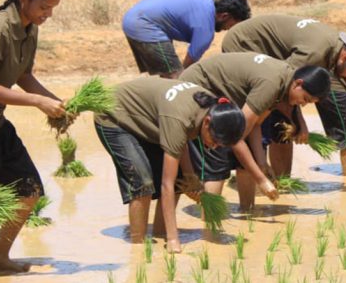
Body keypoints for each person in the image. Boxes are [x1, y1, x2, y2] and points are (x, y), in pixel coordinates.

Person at [94, 77, 245, 253]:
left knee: (179, 179)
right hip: (114, 116)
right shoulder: (180, 117)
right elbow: (167, 184)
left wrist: (190, 177)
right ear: (207, 123)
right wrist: (173, 240)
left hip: (149, 120)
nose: (214, 146)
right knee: (143, 182)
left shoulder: (213, 107)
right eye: (215, 140)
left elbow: (181, 140)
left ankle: (161, 232)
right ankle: (138, 247)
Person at [221, 15, 346, 177]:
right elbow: (286, 86)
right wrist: (299, 123)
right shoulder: (315, 53)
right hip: (243, 44)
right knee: (265, 116)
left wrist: (295, 121)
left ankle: (280, 179)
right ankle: (248, 171)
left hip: (269, 55)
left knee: (283, 123)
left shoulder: (332, 48)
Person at [180, 53, 331, 209]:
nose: (303, 104)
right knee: (218, 155)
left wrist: (261, 163)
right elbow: (236, 137)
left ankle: (248, 211)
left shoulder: (283, 83)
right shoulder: (271, 85)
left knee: (249, 153)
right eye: (305, 99)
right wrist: (261, 179)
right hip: (197, 88)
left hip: (223, 94)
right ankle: (210, 221)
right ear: (298, 84)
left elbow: (255, 124)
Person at [0, 0, 66, 274]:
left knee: (28, 190)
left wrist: (55, 102)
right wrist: (37, 102)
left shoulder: (29, 28)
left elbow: (23, 76)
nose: (48, 14)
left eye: (52, 8)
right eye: (44, 7)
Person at [122, 0, 251, 78]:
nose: (229, 29)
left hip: (135, 15)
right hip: (144, 25)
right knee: (176, 77)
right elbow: (187, 67)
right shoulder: (205, 29)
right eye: (232, 25)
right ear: (224, 16)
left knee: (166, 73)